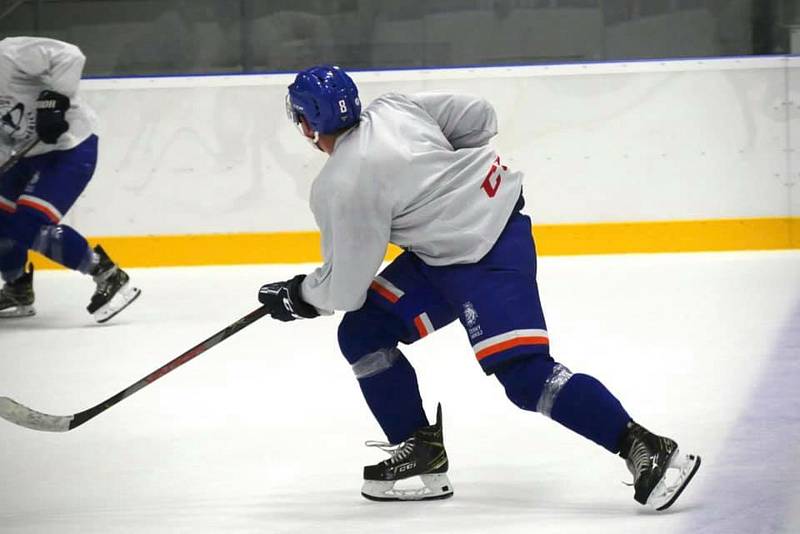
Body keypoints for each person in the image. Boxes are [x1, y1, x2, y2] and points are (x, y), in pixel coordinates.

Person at [257, 65, 701, 508]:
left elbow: (344, 288)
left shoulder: (342, 183)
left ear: (307, 124)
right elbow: (481, 118)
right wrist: (446, 172)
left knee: (526, 376)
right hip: (446, 255)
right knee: (363, 331)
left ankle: (644, 445)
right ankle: (420, 452)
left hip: (489, 253)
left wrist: (299, 296)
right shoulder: (393, 108)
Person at [0, 36, 140, 323]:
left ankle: (109, 276)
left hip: (70, 147)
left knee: (29, 225)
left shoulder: (10, 54)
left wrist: (53, 102)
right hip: (24, 154)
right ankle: (17, 289)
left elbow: (69, 55)